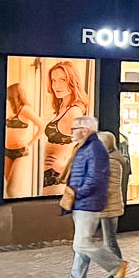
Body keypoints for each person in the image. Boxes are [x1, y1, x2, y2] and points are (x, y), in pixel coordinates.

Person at [52, 115, 128, 278]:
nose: (71, 132)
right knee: (81, 244)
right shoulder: (85, 147)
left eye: (74, 129)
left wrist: (78, 193)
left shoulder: (95, 149)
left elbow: (95, 179)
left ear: (85, 130)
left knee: (82, 244)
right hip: (83, 202)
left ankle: (116, 266)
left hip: (88, 203)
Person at [43, 61, 90, 193]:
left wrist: (63, 168)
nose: (56, 85)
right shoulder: (62, 108)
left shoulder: (74, 112)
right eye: (53, 81)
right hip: (50, 176)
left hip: (58, 178)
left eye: (63, 80)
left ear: (72, 82)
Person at [95, 131, 130, 278]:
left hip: (110, 206)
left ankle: (117, 269)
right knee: (108, 241)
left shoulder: (111, 161)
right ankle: (115, 270)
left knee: (110, 241)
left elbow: (108, 186)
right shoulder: (110, 159)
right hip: (108, 205)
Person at [4, 83, 41, 193]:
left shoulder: (25, 109)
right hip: (7, 151)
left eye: (9, 95)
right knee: (10, 188)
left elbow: (42, 125)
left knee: (12, 189)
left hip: (20, 152)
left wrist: (30, 144)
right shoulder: (11, 109)